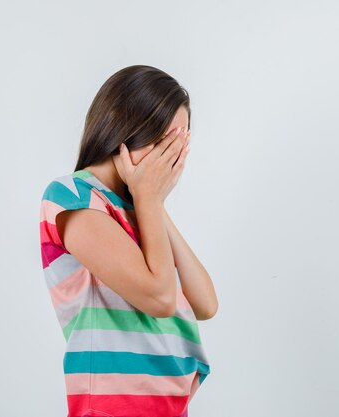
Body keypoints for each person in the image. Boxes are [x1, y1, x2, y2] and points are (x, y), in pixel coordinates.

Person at [39, 65, 218, 417]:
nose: (169, 158)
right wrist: (149, 198)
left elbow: (206, 303)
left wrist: (150, 201)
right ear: (127, 126)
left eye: (178, 146)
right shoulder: (72, 195)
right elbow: (160, 297)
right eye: (163, 142)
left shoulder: (140, 208)